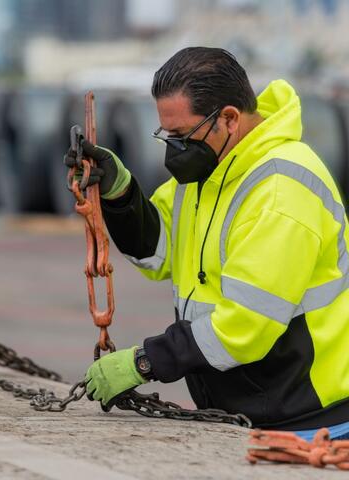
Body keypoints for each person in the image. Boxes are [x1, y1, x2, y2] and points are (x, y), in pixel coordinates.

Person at [64, 47, 349, 440]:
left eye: (182, 136)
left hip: (309, 422)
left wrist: (145, 362)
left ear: (229, 119)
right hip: (248, 411)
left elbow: (245, 326)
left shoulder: (282, 190)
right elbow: (158, 250)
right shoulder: (210, 173)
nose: (173, 149)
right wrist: (119, 191)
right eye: (165, 134)